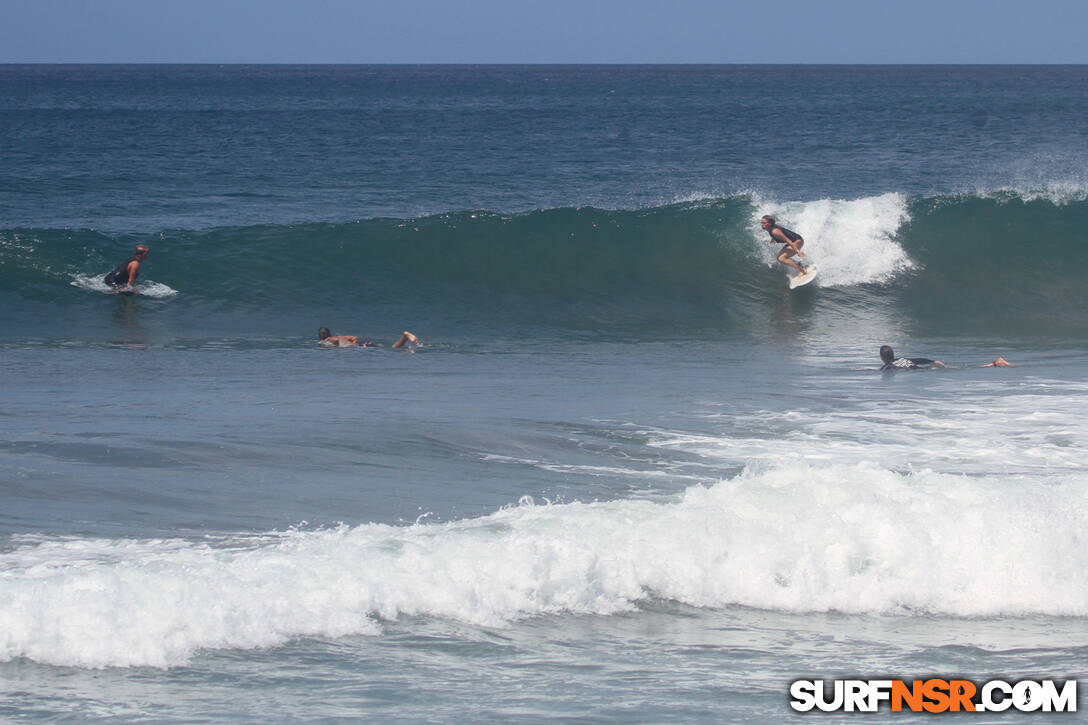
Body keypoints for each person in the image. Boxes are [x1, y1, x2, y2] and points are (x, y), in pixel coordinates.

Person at [879, 345, 1011, 370]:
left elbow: (884, 370)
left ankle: (995, 364)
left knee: (961, 369)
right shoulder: (901, 359)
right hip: (929, 365)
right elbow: (918, 359)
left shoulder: (889, 366)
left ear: (882, 357)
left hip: (926, 370)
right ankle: (994, 363)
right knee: (960, 368)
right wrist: (933, 361)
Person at [319, 327, 418, 349]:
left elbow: (336, 341)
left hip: (361, 345)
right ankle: (405, 337)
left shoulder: (327, 340)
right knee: (391, 348)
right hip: (363, 343)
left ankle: (405, 336)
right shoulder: (337, 336)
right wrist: (352, 343)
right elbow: (354, 337)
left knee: (393, 349)